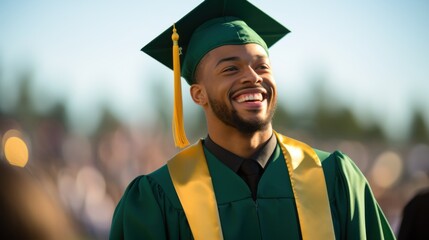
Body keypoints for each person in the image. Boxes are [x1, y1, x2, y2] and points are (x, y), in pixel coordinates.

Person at [110, 0, 396, 239]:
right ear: (198, 95)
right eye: (231, 69)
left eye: (262, 66)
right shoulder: (159, 199)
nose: (252, 77)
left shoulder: (334, 179)